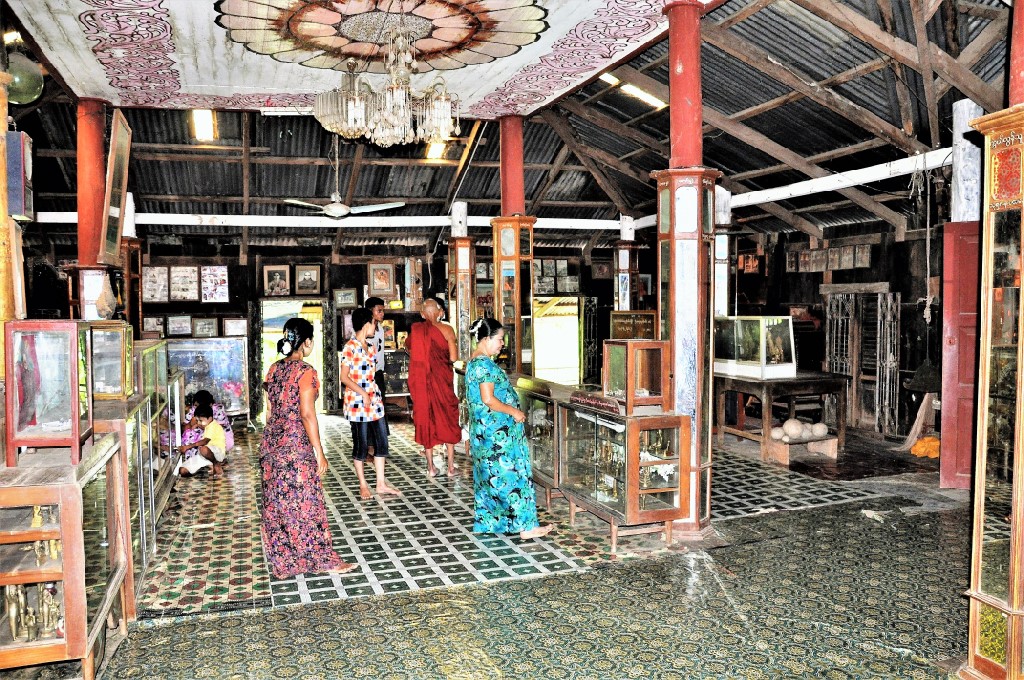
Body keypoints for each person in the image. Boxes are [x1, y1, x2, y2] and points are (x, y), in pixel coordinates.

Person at [260, 318, 355, 578]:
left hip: (271, 445)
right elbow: (307, 414)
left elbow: (269, 413)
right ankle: (322, 560)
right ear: (307, 342)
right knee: (306, 503)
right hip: (295, 447)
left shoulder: (274, 369)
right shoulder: (305, 371)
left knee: (278, 504)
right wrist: (319, 452)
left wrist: (272, 441)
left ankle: (285, 563)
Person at [465, 317, 552, 540]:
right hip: (498, 433)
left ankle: (491, 522)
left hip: (485, 432)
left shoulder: (474, 361)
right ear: (486, 339)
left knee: (489, 478)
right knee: (513, 476)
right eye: (500, 339)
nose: (502, 344)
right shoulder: (484, 364)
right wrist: (514, 411)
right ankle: (526, 526)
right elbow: (488, 399)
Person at [341, 307, 401, 500]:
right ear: (366, 324)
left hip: (374, 401)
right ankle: (363, 485)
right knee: (361, 445)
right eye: (374, 323)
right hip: (357, 404)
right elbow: (344, 377)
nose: (376, 326)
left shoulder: (371, 347)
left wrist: (372, 395)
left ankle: (381, 484)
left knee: (382, 442)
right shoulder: (350, 348)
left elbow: (371, 376)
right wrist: (362, 393)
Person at [406, 295, 461, 477]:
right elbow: (453, 357)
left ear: (422, 314)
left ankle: (431, 468)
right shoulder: (447, 329)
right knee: (448, 419)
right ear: (440, 313)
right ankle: (451, 467)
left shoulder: (416, 331)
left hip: (422, 384)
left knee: (426, 420)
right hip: (442, 383)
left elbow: (409, 348)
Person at [176, 390, 234, 476]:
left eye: (197, 405)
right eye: (195, 405)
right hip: (202, 449)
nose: (195, 408)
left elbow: (206, 439)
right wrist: (191, 424)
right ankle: (206, 463)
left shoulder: (213, 422)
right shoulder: (195, 411)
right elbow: (184, 428)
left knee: (204, 449)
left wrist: (198, 425)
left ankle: (215, 463)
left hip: (214, 446)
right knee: (183, 471)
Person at [364, 297, 388, 457]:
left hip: (378, 373)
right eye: (379, 310)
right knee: (368, 411)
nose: (382, 313)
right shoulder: (365, 330)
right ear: (370, 311)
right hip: (367, 375)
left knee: (380, 410)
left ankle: (379, 444)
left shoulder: (380, 329)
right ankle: (369, 447)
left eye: (383, 310)